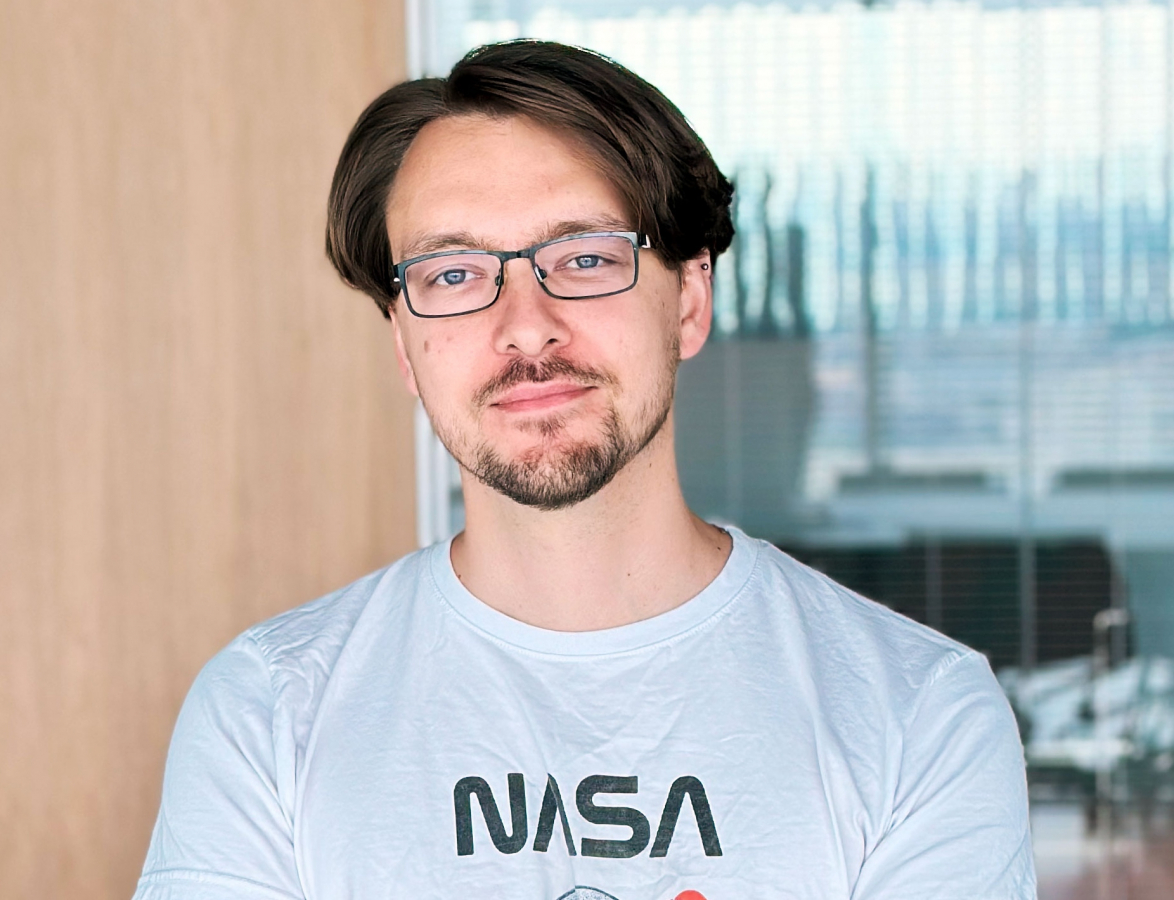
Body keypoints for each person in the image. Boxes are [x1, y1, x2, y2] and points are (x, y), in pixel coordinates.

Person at [133, 40, 1036, 900]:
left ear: (689, 300)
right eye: (453, 275)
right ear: (405, 346)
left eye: (586, 258)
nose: (526, 326)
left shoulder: (917, 715)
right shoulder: (268, 711)